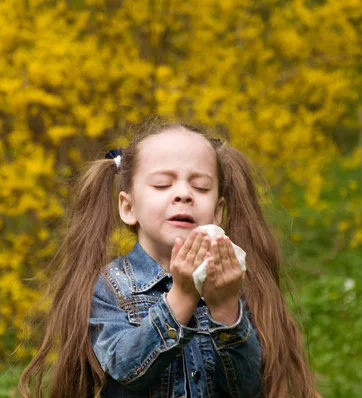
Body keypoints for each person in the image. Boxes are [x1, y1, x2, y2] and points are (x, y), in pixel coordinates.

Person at [19, 118, 319, 397]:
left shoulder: (231, 284)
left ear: (217, 212)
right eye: (163, 184)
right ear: (128, 207)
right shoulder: (111, 286)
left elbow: (248, 388)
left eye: (200, 187)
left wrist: (226, 308)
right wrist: (183, 296)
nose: (184, 194)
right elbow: (125, 370)